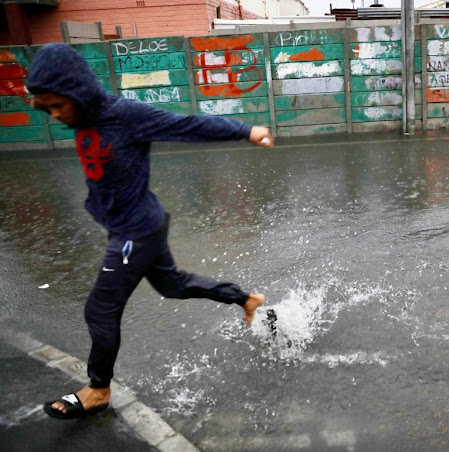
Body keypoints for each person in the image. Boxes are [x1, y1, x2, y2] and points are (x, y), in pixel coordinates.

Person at [26, 43, 273, 419]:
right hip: (140, 224)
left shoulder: (125, 116)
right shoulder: (79, 116)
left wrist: (246, 130)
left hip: (135, 232)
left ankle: (98, 390)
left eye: (59, 105)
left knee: (100, 310)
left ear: (79, 91)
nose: (56, 115)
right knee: (172, 285)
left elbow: (187, 125)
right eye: (48, 108)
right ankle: (245, 299)